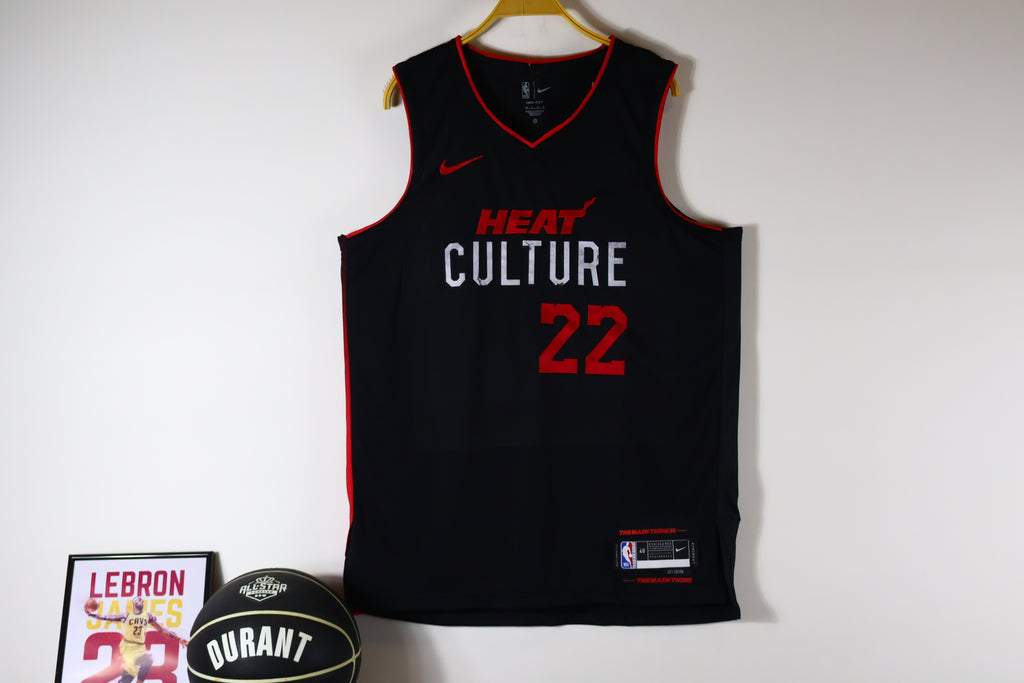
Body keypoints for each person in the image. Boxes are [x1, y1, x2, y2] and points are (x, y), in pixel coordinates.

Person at [85, 596, 188, 683]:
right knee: (145, 661)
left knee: (131, 674)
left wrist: (178, 638)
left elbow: (161, 630)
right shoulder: (126, 616)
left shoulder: (147, 616)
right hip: (128, 647)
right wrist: (92, 615)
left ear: (143, 604)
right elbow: (108, 617)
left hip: (139, 648)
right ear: (134, 605)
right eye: (137, 601)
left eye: (141, 601)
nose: (140, 602)